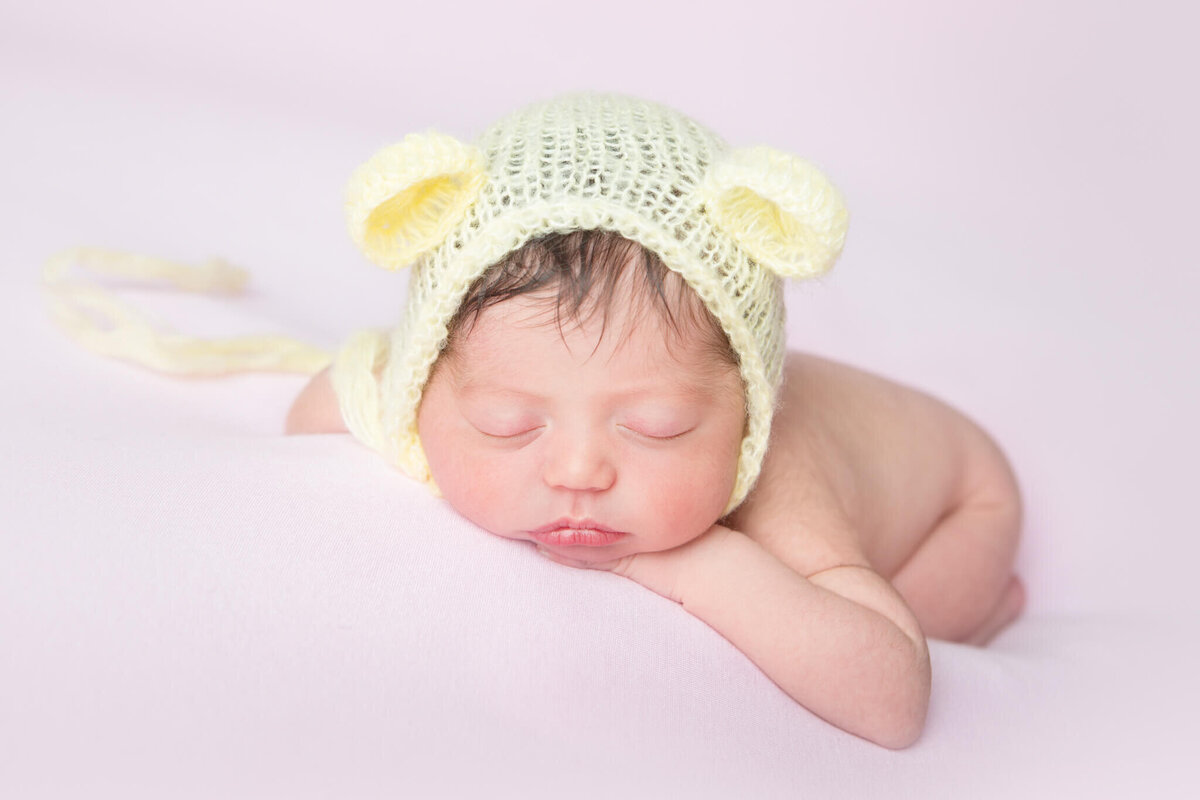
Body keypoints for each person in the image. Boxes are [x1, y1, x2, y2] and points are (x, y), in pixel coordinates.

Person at [44, 91, 1024, 750]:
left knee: (923, 625)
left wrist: (698, 560)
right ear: (429, 384)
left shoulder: (777, 485)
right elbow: (321, 415)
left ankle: (984, 602)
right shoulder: (406, 390)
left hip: (959, 490)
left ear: (747, 418)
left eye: (658, 425)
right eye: (513, 424)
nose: (581, 469)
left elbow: (893, 703)